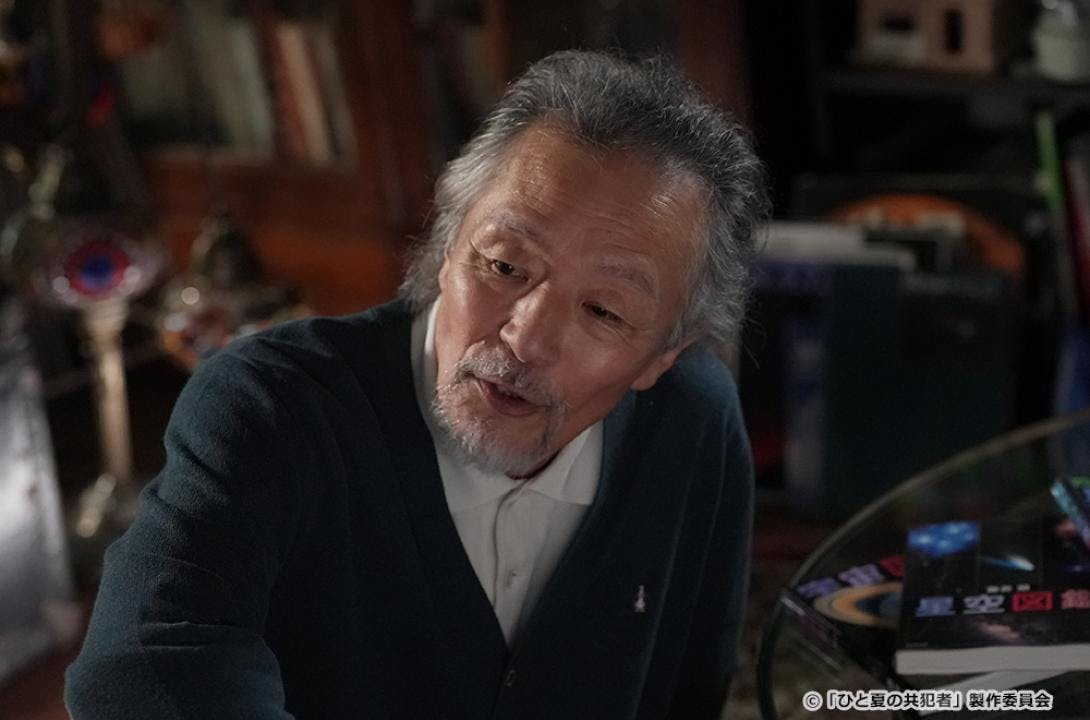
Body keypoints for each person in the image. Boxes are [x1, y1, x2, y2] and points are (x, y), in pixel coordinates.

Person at [65, 50, 767, 719]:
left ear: (663, 356)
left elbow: (689, 685)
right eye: (505, 266)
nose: (525, 338)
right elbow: (144, 665)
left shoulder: (691, 421)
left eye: (604, 311)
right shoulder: (271, 405)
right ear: (449, 242)